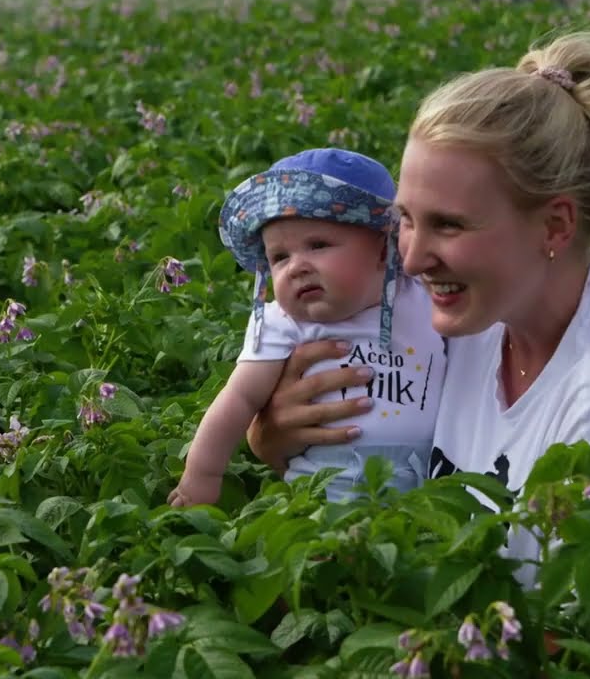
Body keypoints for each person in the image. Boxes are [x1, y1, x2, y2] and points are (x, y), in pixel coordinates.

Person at [245, 32, 590, 594]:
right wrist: (273, 439)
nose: (409, 260)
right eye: (405, 219)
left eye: (449, 225)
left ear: (555, 226)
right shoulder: (473, 320)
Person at [168, 148, 447, 507]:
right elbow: (238, 399)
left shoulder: (424, 298)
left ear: (383, 251)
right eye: (279, 257)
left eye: (317, 245)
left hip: (427, 486)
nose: (296, 267)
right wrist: (201, 476)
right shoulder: (284, 323)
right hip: (319, 493)